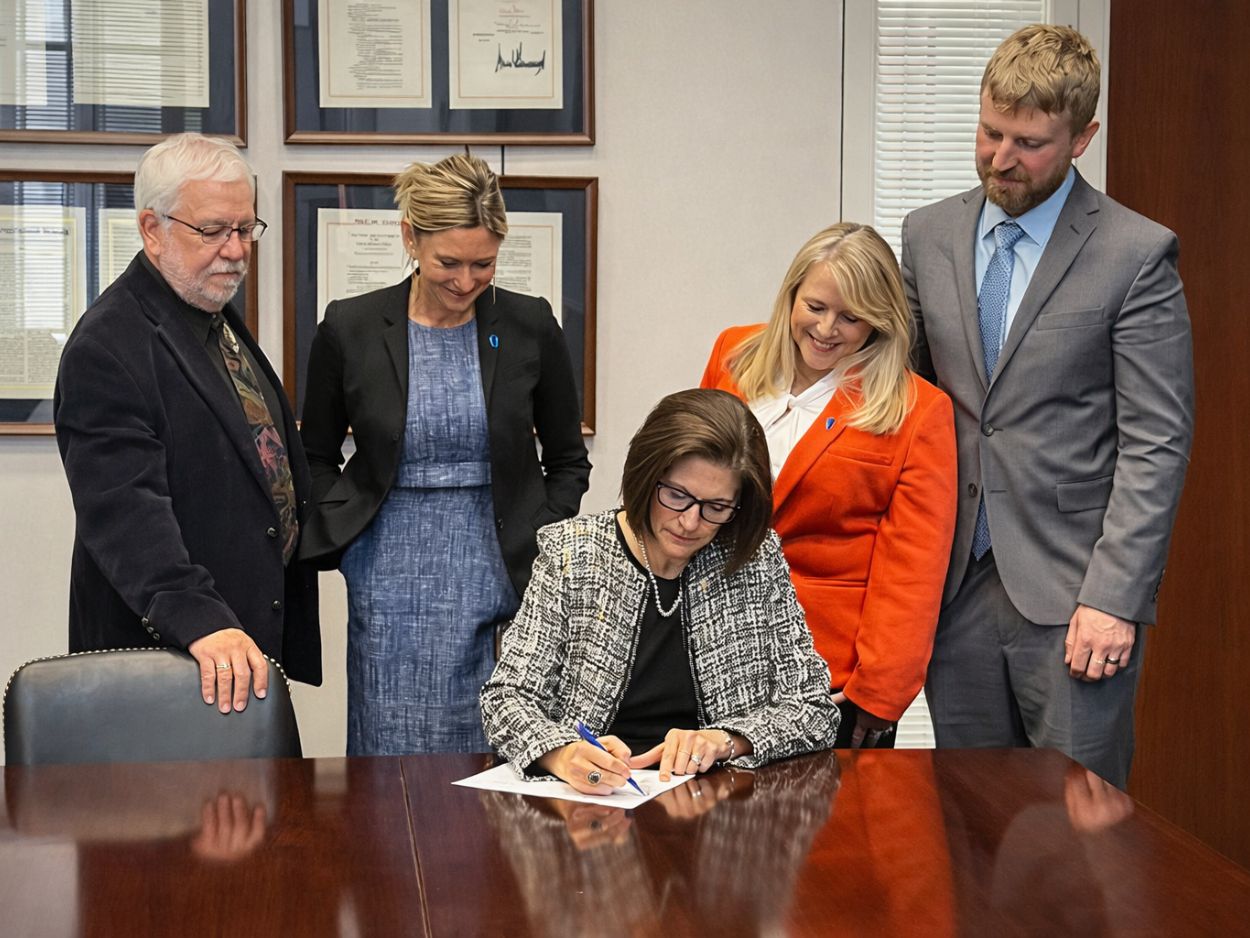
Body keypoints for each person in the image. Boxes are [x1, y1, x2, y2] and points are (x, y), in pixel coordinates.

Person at [901, 24, 1194, 787]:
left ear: (1082, 137)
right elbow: (908, 401)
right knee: (967, 830)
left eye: (1028, 143)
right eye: (990, 132)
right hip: (954, 587)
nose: (1001, 159)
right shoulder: (927, 234)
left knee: (1080, 843)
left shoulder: (1135, 254)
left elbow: (1155, 443)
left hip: (1074, 600)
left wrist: (1113, 598)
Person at [300, 152, 591, 755]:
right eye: (448, 264)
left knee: (497, 741)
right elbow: (316, 454)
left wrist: (545, 537)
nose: (465, 282)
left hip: (503, 561)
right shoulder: (350, 327)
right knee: (390, 744)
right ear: (411, 237)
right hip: (387, 571)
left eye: (483, 264)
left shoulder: (528, 324)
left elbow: (567, 458)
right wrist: (351, 541)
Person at [54, 132, 322, 711]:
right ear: (153, 230)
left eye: (246, 229)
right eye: (213, 231)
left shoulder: (206, 310)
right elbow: (125, 512)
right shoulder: (108, 346)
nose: (236, 250)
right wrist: (201, 620)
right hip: (175, 657)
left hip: (238, 649)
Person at [481, 389, 839, 794]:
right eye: (676, 496)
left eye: (716, 507)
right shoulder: (574, 553)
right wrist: (562, 754)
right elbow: (507, 698)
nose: (690, 522)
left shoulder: (753, 561)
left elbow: (813, 708)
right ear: (646, 474)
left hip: (719, 809)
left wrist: (723, 741)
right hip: (594, 804)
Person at [701, 223, 957, 749]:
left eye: (851, 316)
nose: (827, 328)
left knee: (825, 831)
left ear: (879, 322)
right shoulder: (733, 355)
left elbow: (913, 567)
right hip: (707, 650)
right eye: (815, 306)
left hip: (825, 678)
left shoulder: (918, 410)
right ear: (791, 294)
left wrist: (880, 692)